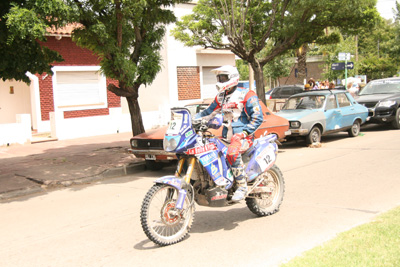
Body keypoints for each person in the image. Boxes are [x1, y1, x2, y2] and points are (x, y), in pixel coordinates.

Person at [195, 65, 263, 202]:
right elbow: (208, 112)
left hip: (244, 136)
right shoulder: (221, 96)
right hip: (226, 136)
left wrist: (244, 133)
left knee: (232, 152)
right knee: (208, 148)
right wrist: (193, 119)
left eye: (223, 77)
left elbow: (257, 117)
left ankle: (242, 186)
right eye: (219, 77)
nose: (220, 80)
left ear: (232, 78)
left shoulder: (247, 94)